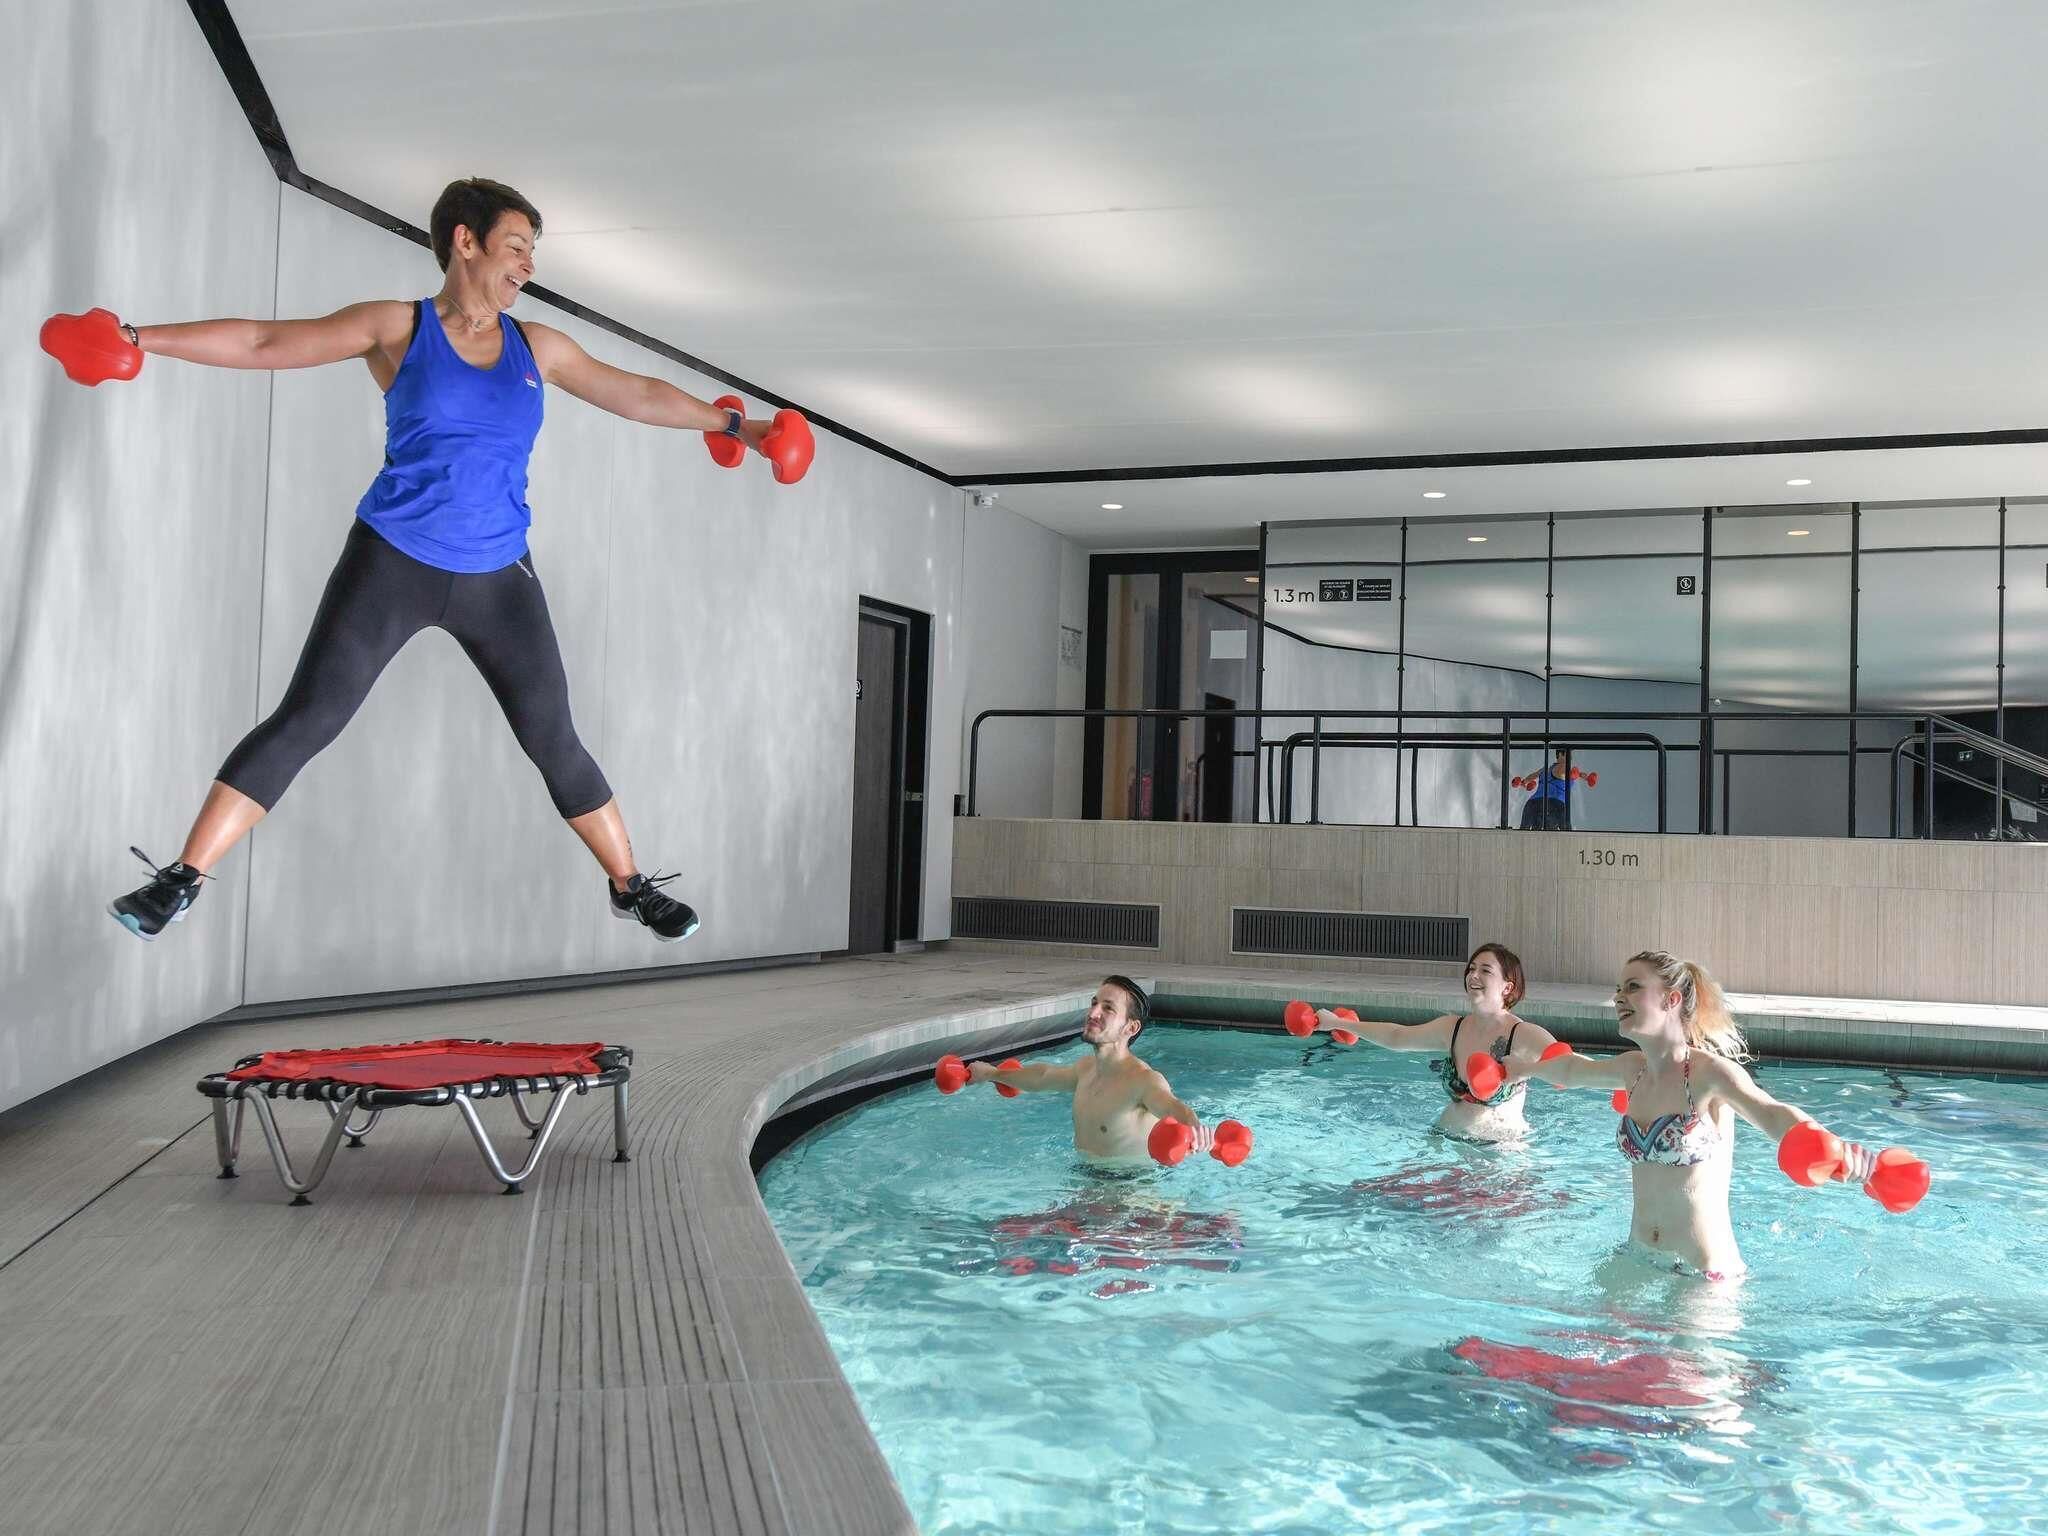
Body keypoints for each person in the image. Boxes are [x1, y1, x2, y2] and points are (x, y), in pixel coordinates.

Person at [42, 178, 811, 945]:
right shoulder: (397, 326)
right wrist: (139, 338)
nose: (527, 267)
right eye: (516, 248)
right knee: (309, 717)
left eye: (532, 255)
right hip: (393, 559)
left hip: (498, 574)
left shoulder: (536, 346)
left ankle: (630, 885)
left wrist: (735, 426)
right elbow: (263, 342)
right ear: (464, 241)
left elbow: (634, 393)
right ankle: (181, 879)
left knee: (554, 738)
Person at [1531, 950, 1923, 1280]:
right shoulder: (1632, 1070)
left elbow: (1773, 1114)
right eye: (1618, 988)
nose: (1618, 997)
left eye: (1633, 987)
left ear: (1671, 1000)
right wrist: (1517, 1069)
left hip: (1703, 1273)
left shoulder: (1707, 1074)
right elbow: (1572, 1070)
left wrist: (1844, 1154)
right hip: (1637, 1258)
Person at [947, 976, 1250, 1166]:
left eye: (1108, 1008)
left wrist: (1199, 1134)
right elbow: (1042, 1077)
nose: (1093, 1013)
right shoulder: (1086, 1068)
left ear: (1130, 1028)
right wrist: (993, 1075)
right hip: (1083, 1183)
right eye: (1094, 1003)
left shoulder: (1142, 1080)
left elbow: (1175, 1108)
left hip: (1130, 1199)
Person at [1300, 943, 1563, 1143]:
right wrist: (1339, 1024)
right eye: (1471, 968)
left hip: (1498, 1155)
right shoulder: (1454, 1028)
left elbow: (1566, 1062)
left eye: (1485, 970)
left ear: (1507, 987)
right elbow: (1397, 1037)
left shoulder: (1522, 1034)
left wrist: (1602, 1077)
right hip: (1443, 1140)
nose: (1473, 975)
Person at [1518, 749, 1574, 830]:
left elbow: (1533, 776)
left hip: (1532, 804)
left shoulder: (1545, 769)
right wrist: (1579, 774)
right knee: (1565, 835)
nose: (1571, 758)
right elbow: (1565, 769)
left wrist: (1524, 782)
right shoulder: (1562, 768)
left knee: (1524, 834)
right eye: (1568, 755)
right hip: (1553, 804)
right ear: (1560, 755)